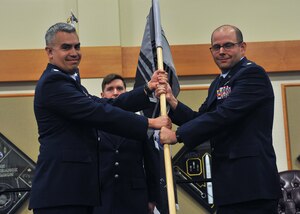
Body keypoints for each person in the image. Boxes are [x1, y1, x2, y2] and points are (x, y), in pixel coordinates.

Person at [29, 22, 170, 214]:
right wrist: (149, 122)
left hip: (78, 192)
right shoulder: (54, 83)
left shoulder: (71, 82)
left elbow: (106, 105)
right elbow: (98, 113)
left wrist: (146, 90)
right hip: (61, 193)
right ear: (49, 52)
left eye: (77, 46)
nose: (74, 52)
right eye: (66, 47)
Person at [158, 25, 282, 213]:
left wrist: (177, 136)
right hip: (228, 185)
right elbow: (201, 118)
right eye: (216, 47)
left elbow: (224, 116)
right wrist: (173, 102)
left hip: (253, 184)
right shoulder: (219, 82)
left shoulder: (253, 74)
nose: (221, 51)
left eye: (228, 45)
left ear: (243, 47)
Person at [92, 73, 160, 214]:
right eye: (110, 89)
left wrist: (153, 198)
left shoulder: (140, 124)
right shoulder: (93, 126)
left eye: (119, 88)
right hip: (102, 199)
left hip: (134, 199)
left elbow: (151, 164)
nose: (115, 93)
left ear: (126, 93)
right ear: (102, 95)